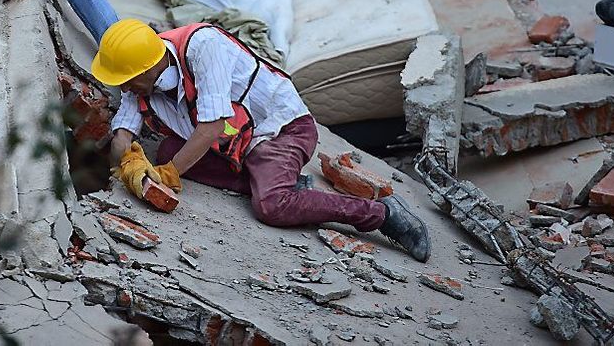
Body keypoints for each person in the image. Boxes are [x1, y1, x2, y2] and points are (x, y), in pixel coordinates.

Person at [92, 19, 432, 262]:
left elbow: (211, 128)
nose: (123, 88)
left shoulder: (202, 46)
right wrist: (129, 162)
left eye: (127, 81)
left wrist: (167, 175)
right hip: (235, 143)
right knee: (167, 149)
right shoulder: (140, 80)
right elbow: (123, 134)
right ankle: (279, 182)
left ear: (148, 69)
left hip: (281, 129)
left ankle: (382, 214)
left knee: (271, 206)